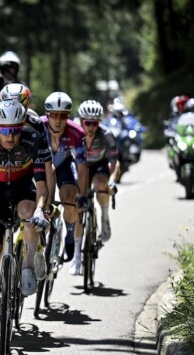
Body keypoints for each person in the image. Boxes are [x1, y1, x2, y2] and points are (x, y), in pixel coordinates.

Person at [0, 100, 52, 340]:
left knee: (29, 215)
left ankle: (27, 266)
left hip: (22, 190)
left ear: (22, 126)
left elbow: (42, 186)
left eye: (15, 129)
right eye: (5, 129)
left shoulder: (33, 139)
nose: (10, 135)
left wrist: (41, 210)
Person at [70, 100, 120, 275]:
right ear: (81, 120)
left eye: (95, 123)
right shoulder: (74, 132)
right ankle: (77, 257)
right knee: (78, 208)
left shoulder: (106, 134)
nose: (91, 127)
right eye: (87, 122)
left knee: (101, 185)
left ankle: (104, 216)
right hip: (79, 166)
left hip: (99, 165)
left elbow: (115, 162)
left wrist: (112, 180)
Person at [41, 91, 88, 264]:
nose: (58, 120)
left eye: (63, 115)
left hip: (64, 165)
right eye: (54, 115)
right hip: (41, 166)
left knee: (69, 199)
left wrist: (82, 196)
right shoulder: (38, 126)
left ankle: (69, 234)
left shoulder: (77, 133)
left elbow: (82, 168)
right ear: (47, 114)